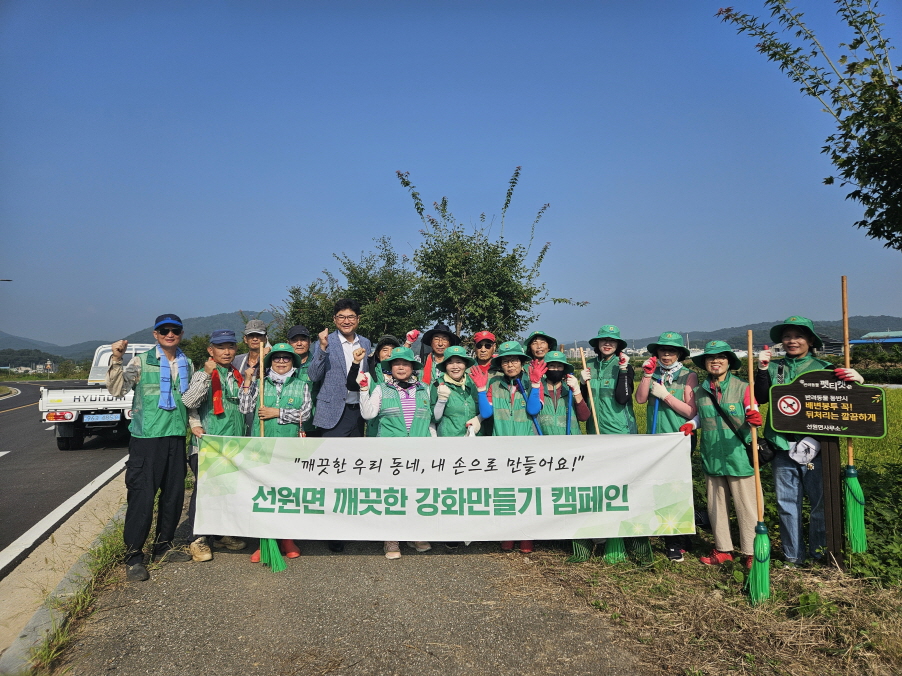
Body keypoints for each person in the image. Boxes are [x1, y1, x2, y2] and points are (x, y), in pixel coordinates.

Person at [754, 316, 864, 566]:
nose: (792, 341)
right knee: (786, 504)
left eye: (798, 336)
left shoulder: (825, 368)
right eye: (787, 336)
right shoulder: (774, 368)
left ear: (811, 341)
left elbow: (849, 402)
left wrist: (858, 382)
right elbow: (761, 398)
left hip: (817, 446)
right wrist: (761, 369)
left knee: (820, 504)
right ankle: (793, 557)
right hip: (782, 445)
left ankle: (818, 554)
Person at [106, 314, 199, 581]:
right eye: (164, 330)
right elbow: (117, 390)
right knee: (142, 497)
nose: (170, 334)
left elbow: (190, 400)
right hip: (147, 438)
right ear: (155, 334)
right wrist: (116, 359)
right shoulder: (141, 361)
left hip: (176, 436)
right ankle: (134, 556)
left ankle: (163, 547)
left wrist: (194, 424)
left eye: (175, 330)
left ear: (181, 334)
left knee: (173, 495)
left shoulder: (187, 363)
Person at [689, 340, 761, 568]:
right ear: (705, 363)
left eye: (721, 357)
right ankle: (722, 549)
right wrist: (692, 424)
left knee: (747, 506)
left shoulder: (743, 387)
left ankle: (751, 551)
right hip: (712, 455)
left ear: (729, 362)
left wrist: (754, 416)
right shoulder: (701, 391)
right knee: (716, 506)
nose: (715, 361)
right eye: (711, 358)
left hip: (739, 456)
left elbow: (752, 408)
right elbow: (702, 416)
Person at [239, 342, 312, 562]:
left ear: (292, 361)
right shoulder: (260, 384)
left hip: (290, 447)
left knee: (288, 493)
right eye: (276, 358)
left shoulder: (301, 385)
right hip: (262, 447)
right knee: (264, 493)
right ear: (270, 362)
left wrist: (277, 413)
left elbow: (305, 413)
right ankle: (264, 541)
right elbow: (244, 408)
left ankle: (287, 539)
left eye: (286, 358)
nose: (281, 361)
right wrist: (248, 381)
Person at [358, 346, 433, 559]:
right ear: (390, 368)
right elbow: (368, 414)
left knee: (416, 493)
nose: (401, 367)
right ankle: (391, 539)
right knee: (392, 494)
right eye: (396, 364)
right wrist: (363, 390)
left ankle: (415, 534)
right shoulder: (381, 389)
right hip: (390, 452)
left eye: (405, 364)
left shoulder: (425, 389)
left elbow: (431, 420)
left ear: (412, 367)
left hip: (419, 451)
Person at [470, 340, 544, 553]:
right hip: (501, 445)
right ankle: (507, 534)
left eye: (514, 360)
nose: (510, 365)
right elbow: (486, 413)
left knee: (526, 493)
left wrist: (536, 385)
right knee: (505, 493)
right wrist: (482, 389)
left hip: (526, 446)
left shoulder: (531, 382)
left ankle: (526, 536)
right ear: (500, 365)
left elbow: (533, 410)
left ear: (522, 362)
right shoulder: (494, 384)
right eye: (505, 361)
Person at [181, 330, 248, 563]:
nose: (226, 351)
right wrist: (195, 424)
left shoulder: (237, 375)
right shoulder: (202, 373)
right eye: (221, 347)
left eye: (230, 346)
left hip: (233, 442)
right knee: (205, 491)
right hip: (208, 443)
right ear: (211, 350)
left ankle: (220, 535)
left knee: (227, 489)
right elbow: (190, 402)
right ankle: (197, 538)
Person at [635, 331, 698, 561]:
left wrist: (665, 396)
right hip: (656, 439)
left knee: (676, 489)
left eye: (672, 351)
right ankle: (674, 534)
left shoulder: (688, 376)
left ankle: (675, 542)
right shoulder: (652, 373)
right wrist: (646, 376)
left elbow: (691, 412)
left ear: (679, 353)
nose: (667, 354)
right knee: (659, 488)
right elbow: (640, 399)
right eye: (663, 350)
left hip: (679, 439)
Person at [307, 299, 372, 438]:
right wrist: (323, 347)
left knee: (355, 451)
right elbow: (314, 376)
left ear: (358, 319)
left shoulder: (365, 343)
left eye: (351, 317)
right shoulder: (325, 342)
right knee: (332, 451)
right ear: (334, 319)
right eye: (341, 317)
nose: (346, 321)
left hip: (358, 410)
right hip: (333, 411)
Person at [580, 326, 637, 434]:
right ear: (598, 342)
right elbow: (583, 400)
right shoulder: (589, 365)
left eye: (612, 340)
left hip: (619, 430)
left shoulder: (624, 365)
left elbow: (623, 399)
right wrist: (582, 384)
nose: (607, 343)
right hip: (594, 430)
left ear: (618, 344)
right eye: (604, 340)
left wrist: (623, 370)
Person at [431, 345, 482, 437]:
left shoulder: (474, 382)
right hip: (449, 438)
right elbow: (434, 418)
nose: (455, 367)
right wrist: (441, 400)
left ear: (465, 365)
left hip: (475, 437)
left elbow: (486, 408)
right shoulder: (438, 384)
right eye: (450, 363)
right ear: (445, 366)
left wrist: (479, 419)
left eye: (459, 362)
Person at [537, 351, 590, 435]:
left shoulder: (569, 390)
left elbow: (584, 417)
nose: (556, 369)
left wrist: (577, 391)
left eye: (559, 366)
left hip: (570, 440)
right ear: (546, 368)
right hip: (544, 439)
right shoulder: (538, 390)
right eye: (552, 366)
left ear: (564, 369)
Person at [232, 319, 270, 435]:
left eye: (259, 335)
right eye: (251, 336)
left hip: (263, 414)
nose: (255, 339)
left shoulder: (273, 361)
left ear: (265, 338)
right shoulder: (236, 361)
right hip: (239, 415)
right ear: (245, 339)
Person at [287, 324, 319, 436]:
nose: (299, 343)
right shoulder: (281, 364)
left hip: (313, 424)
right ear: (288, 343)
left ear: (310, 342)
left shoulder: (317, 364)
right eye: (294, 340)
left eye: (303, 339)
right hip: (287, 423)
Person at [472, 331, 499, 435]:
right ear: (474, 347)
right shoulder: (467, 370)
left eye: (488, 346)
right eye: (479, 346)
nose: (483, 350)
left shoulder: (501, 370)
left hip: (497, 423)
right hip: (473, 421)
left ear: (494, 347)